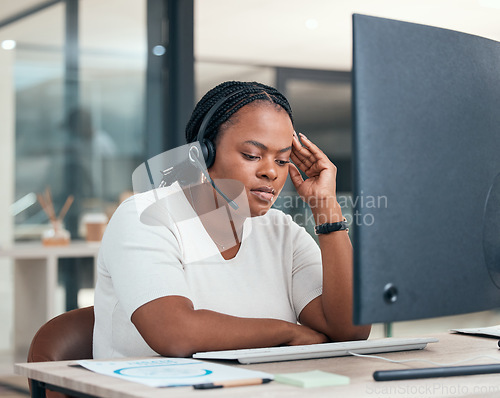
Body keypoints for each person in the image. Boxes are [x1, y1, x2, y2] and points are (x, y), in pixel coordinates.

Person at [93, 81, 371, 359]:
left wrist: (326, 208)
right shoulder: (144, 215)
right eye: (252, 155)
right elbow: (174, 333)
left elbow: (350, 330)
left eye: (283, 160)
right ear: (201, 156)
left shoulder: (282, 231)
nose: (270, 172)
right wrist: (288, 332)